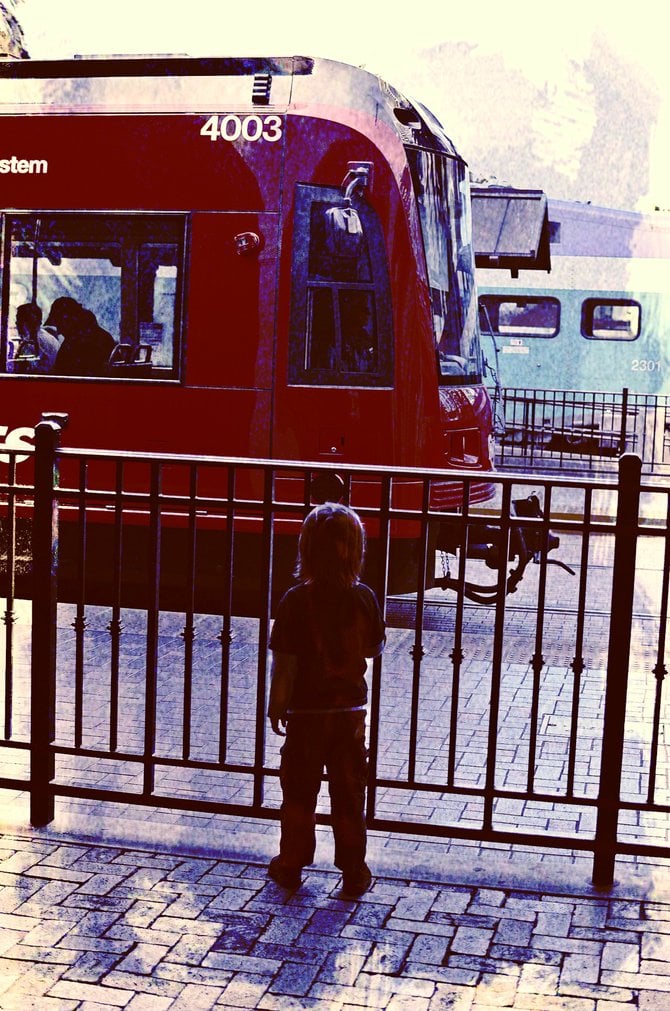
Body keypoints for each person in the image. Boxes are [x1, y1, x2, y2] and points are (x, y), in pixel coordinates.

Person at [267, 502, 385, 896]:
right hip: (349, 714)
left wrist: (278, 702)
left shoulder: (294, 601)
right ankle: (354, 869)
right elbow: (373, 648)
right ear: (356, 550)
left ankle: (292, 861)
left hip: (306, 714)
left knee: (299, 791)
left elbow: (285, 662)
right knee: (348, 792)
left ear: (305, 550)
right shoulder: (364, 598)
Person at [45, 296, 116, 376]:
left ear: (67, 320)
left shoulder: (73, 344)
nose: (59, 331)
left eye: (59, 324)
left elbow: (62, 377)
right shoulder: (103, 336)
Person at [12, 302, 60, 373]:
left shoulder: (31, 344)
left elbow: (25, 371)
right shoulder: (47, 336)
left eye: (19, 320)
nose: (16, 324)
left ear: (27, 322)